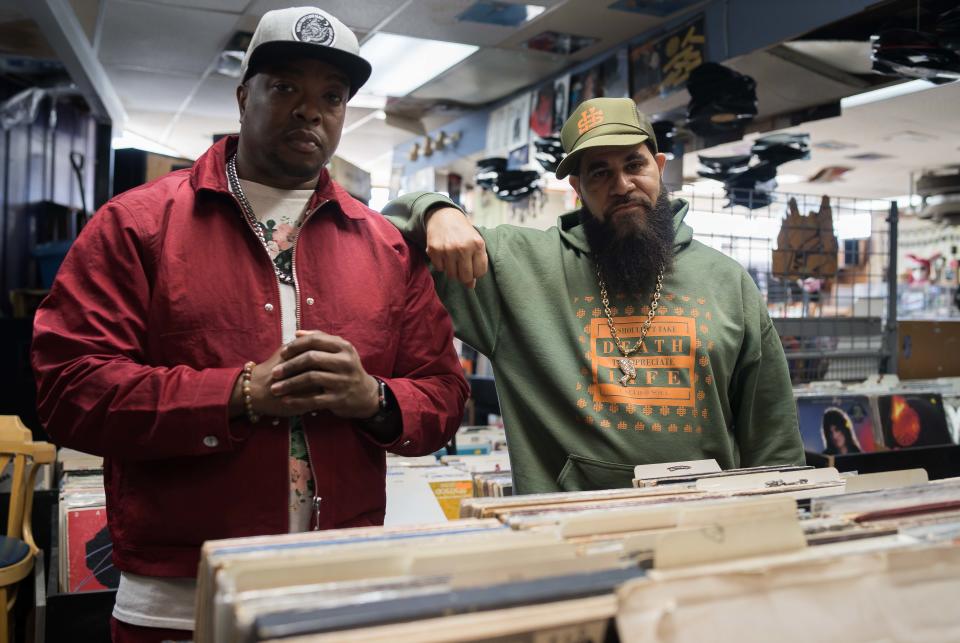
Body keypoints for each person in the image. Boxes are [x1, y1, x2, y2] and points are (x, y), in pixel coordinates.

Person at [31, 7, 467, 642]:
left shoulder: (386, 247)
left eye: (332, 96)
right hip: (182, 598)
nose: (310, 110)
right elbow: (71, 388)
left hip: (341, 586)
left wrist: (373, 399)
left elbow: (444, 392)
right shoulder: (137, 225)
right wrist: (236, 394)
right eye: (286, 86)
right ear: (243, 96)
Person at [385, 96, 803, 494]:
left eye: (634, 164)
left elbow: (772, 431)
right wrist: (435, 210)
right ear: (578, 187)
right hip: (569, 536)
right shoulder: (520, 267)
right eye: (599, 172)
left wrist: (790, 511)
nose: (622, 185)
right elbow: (382, 239)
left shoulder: (727, 280)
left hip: (705, 531)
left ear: (659, 166)